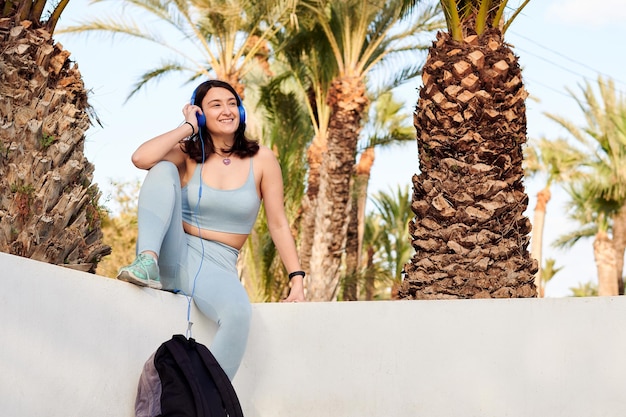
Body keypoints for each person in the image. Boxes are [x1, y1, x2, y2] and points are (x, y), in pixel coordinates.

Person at [116, 79, 306, 380]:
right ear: (201, 113)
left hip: (218, 265)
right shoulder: (188, 153)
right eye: (215, 105)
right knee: (161, 168)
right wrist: (187, 128)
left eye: (232, 103)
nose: (227, 110)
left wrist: (296, 279)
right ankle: (146, 261)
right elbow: (141, 158)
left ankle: (205, 402)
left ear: (241, 112)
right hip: (174, 250)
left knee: (238, 315)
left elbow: (278, 222)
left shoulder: (263, 159)